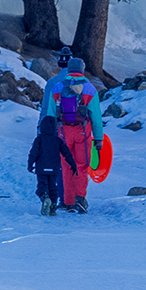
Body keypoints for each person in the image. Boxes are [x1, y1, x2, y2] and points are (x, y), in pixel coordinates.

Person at [38, 54, 104, 214]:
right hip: (83, 132)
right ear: (82, 70)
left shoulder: (57, 87)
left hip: (63, 132)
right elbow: (96, 117)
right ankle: (80, 199)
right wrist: (99, 138)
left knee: (66, 166)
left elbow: (50, 115)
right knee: (81, 166)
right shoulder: (89, 89)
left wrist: (48, 137)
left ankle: (67, 202)